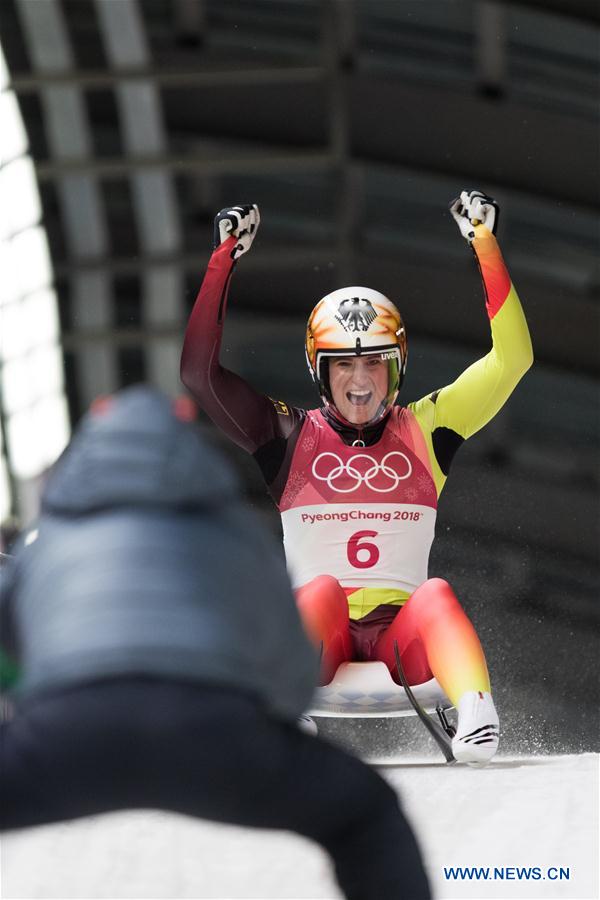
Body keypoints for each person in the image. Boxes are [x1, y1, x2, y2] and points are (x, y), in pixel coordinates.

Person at [0, 385, 431, 900]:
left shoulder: (47, 540)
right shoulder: (230, 531)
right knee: (365, 813)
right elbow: (286, 648)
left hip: (65, 731)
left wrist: (25, 711)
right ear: (188, 445)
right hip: (211, 729)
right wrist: (275, 724)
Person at [180, 192, 533, 765]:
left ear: (397, 367)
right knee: (317, 591)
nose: (361, 380)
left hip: (404, 644)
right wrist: (224, 257)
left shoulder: (428, 425)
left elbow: (512, 358)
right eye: (345, 363)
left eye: (374, 362)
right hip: (322, 644)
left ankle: (477, 713)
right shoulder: (287, 434)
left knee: (435, 592)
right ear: (321, 371)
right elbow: (198, 373)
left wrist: (485, 244)